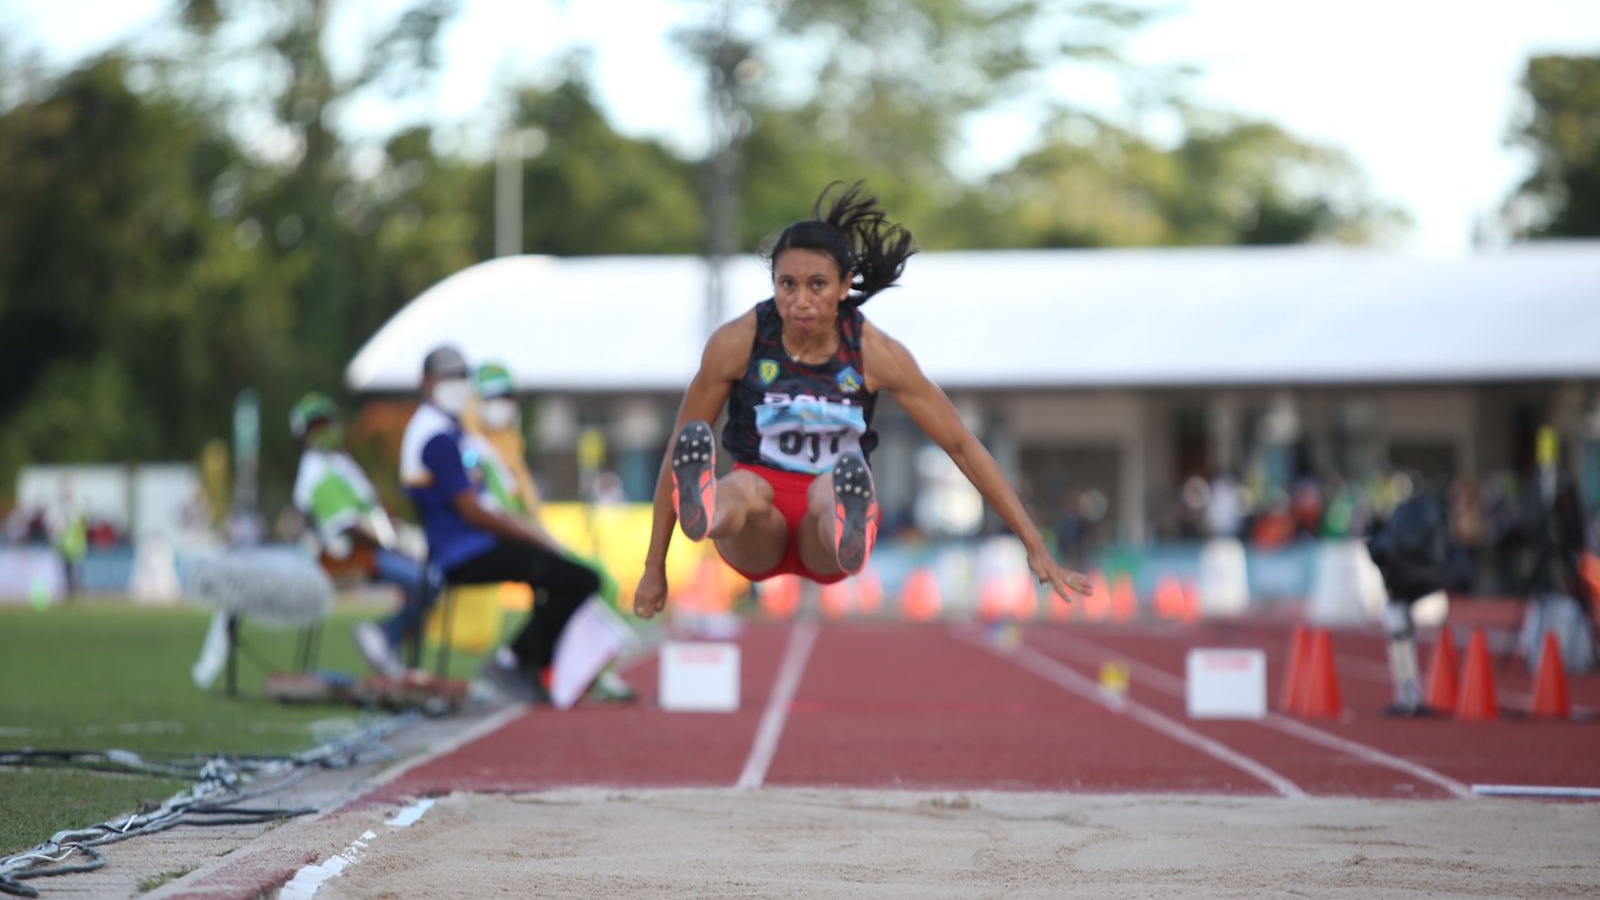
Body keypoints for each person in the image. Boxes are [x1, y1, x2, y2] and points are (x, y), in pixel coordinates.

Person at [632, 181, 1092, 619]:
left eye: (817, 285)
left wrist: (1034, 543)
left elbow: (962, 446)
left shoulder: (875, 352)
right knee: (743, 489)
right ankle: (706, 513)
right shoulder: (738, 342)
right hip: (759, 518)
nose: (800, 301)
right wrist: (655, 565)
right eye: (787, 284)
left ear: (845, 284)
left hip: (823, 525)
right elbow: (679, 446)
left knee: (827, 489)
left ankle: (847, 524)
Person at [401, 346, 626, 706]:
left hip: (477, 542)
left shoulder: (450, 430)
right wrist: (532, 537)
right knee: (578, 578)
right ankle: (516, 662)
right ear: (426, 383)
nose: (456, 384)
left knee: (568, 575)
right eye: (447, 377)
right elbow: (474, 511)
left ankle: (531, 665)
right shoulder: (436, 436)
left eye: (462, 376)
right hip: (463, 551)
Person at [461, 361, 634, 702]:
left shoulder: (506, 447)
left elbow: (519, 507)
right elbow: (491, 512)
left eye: (509, 397)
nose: (504, 404)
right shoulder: (471, 449)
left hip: (516, 536)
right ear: (475, 401)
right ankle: (522, 662)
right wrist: (544, 541)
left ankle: (572, 667)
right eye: (495, 396)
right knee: (579, 578)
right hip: (487, 543)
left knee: (588, 577)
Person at [289, 391, 427, 677]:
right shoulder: (316, 473)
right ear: (303, 434)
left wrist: (392, 535)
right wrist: (390, 545)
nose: (325, 431)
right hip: (349, 556)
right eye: (317, 426)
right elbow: (348, 527)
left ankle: (384, 640)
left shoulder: (340, 463)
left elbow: (371, 509)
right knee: (423, 582)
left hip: (371, 549)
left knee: (429, 580)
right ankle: (383, 637)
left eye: (327, 423)